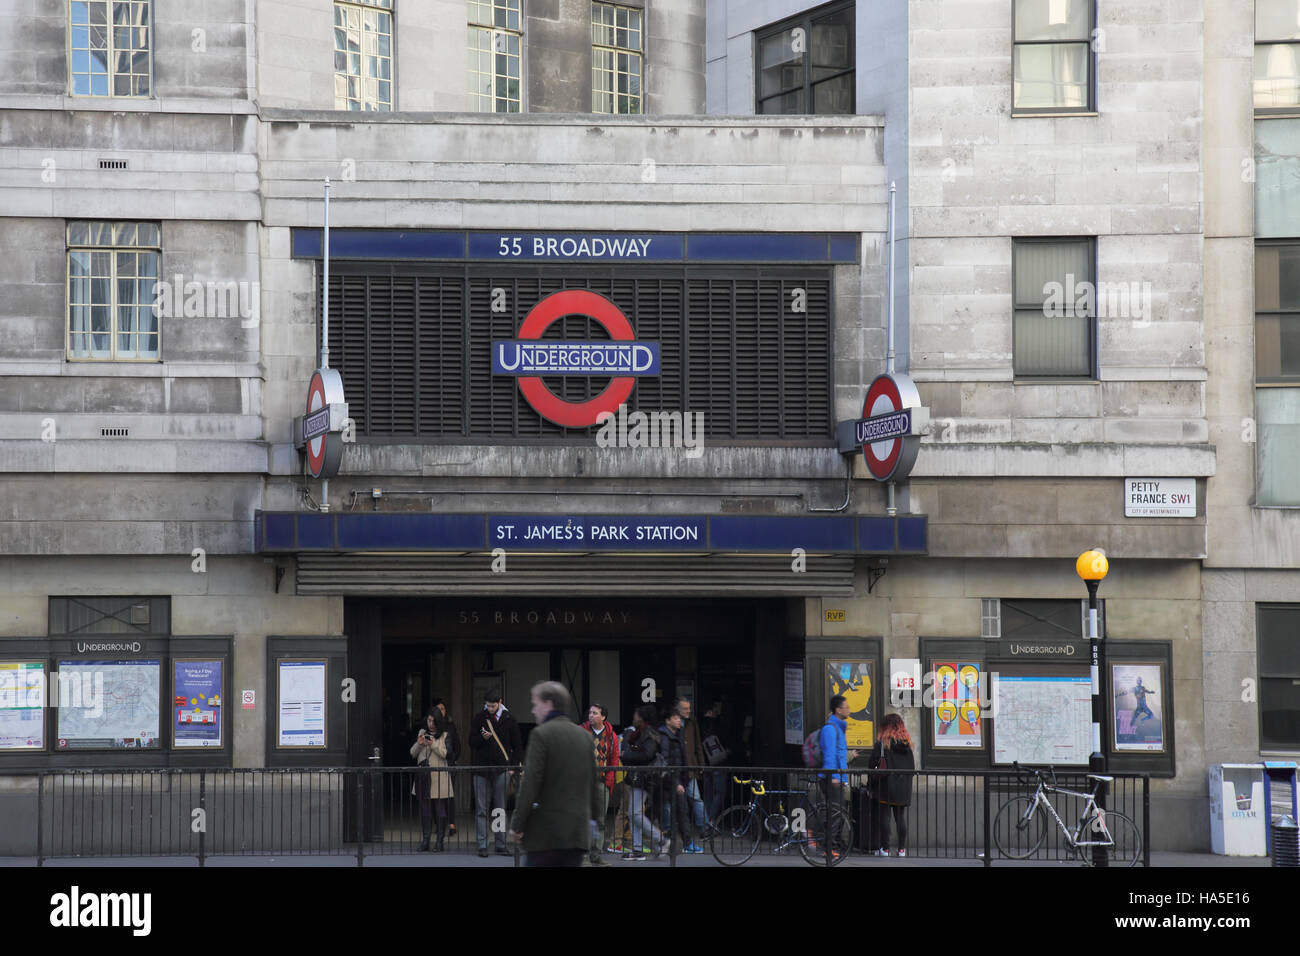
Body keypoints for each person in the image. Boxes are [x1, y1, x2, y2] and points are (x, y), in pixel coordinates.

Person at [507, 681, 597, 867]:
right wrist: (593, 821)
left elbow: (530, 783)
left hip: (547, 834)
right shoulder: (585, 737)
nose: (533, 710)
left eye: (535, 704)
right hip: (576, 834)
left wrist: (517, 825)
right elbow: (592, 785)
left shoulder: (541, 734)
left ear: (548, 704)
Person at [468, 688, 522, 858]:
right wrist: (482, 738)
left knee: (499, 809)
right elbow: (471, 741)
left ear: (499, 702)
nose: (489, 709)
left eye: (492, 706)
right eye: (487, 706)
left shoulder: (509, 719)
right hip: (482, 769)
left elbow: (518, 745)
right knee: (482, 809)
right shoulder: (479, 718)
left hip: (502, 769)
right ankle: (482, 844)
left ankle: (500, 843)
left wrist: (513, 767)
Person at [620, 703, 668, 860]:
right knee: (634, 813)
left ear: (641, 718)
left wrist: (626, 755)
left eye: (635, 715)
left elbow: (647, 754)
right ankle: (637, 849)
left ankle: (660, 840)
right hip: (638, 777)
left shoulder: (649, 733)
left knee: (635, 813)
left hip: (645, 778)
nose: (633, 717)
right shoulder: (638, 733)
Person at [813, 694, 858, 854]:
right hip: (832, 778)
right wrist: (834, 777)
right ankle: (829, 848)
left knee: (838, 813)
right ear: (838, 710)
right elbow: (830, 755)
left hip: (838, 776)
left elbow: (839, 754)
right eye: (846, 707)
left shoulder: (838, 727)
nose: (849, 710)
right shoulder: (830, 729)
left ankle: (835, 844)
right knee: (835, 814)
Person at [657, 708, 702, 854]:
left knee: (678, 812)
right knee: (674, 813)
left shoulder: (677, 735)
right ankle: (677, 844)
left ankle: (678, 844)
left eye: (679, 718)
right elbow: (666, 761)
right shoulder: (665, 737)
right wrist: (676, 782)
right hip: (670, 781)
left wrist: (684, 778)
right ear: (668, 720)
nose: (679, 721)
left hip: (677, 779)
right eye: (676, 718)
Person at [869, 713, 915, 857]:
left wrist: (871, 784)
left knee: (885, 817)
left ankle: (885, 848)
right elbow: (912, 767)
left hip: (886, 785)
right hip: (903, 786)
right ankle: (901, 849)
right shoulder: (907, 745)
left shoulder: (882, 744)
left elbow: (872, 765)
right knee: (900, 817)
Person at [410, 707, 454, 852]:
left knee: (440, 809)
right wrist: (419, 743)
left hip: (439, 777)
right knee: (425, 809)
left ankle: (440, 841)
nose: (431, 724)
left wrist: (432, 744)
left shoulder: (446, 735)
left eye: (433, 721)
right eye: (429, 721)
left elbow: (446, 754)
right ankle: (426, 840)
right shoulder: (422, 733)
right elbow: (412, 753)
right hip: (424, 777)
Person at [581, 703, 620, 866]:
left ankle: (595, 854)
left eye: (595, 713)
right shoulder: (581, 731)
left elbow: (614, 759)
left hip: (602, 782)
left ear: (603, 717)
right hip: (583, 781)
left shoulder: (611, 735)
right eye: (590, 712)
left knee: (600, 820)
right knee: (583, 818)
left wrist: (609, 781)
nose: (591, 715)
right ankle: (582, 854)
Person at [673, 698, 708, 849]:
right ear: (678, 710)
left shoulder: (692, 723)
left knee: (696, 798)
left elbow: (698, 745)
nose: (688, 711)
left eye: (689, 708)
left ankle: (704, 827)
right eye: (685, 709)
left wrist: (701, 764)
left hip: (690, 768)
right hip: (677, 769)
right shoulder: (673, 724)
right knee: (676, 805)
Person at [433, 697, 461, 839]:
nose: (441, 711)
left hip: (449, 765)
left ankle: (451, 824)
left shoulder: (450, 726)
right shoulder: (431, 727)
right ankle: (439, 825)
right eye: (438, 709)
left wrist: (453, 759)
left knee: (449, 795)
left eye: (443, 709)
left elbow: (457, 745)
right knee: (437, 797)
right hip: (435, 766)